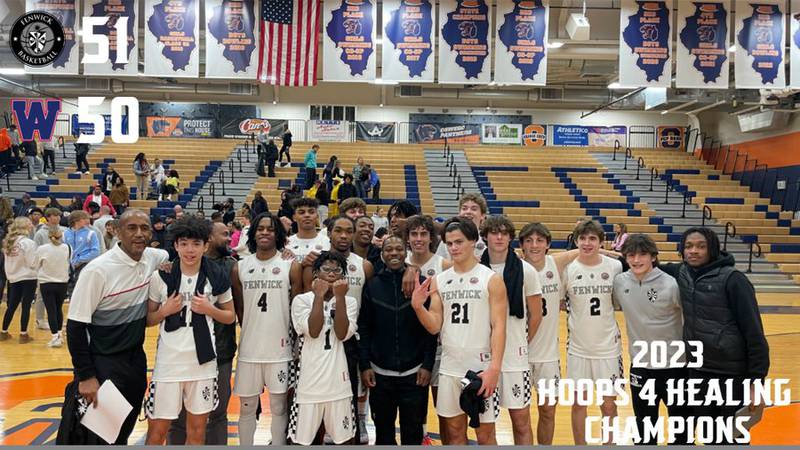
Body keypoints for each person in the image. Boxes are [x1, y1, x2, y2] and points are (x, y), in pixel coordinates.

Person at [62, 210, 169, 444]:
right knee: (101, 437)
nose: (139, 234)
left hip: (135, 362)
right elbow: (76, 327)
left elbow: (174, 259)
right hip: (104, 364)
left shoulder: (153, 257)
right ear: (117, 231)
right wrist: (86, 376)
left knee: (122, 433)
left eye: (144, 228)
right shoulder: (97, 270)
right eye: (132, 228)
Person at [659, 227, 769, 445]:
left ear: (713, 249)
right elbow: (645, 262)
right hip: (699, 372)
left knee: (733, 438)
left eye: (701, 246)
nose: (694, 251)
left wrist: (756, 381)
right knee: (711, 437)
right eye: (689, 246)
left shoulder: (734, 279)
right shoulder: (682, 272)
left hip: (732, 375)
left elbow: (755, 333)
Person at [410, 216, 507, 445]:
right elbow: (434, 325)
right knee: (454, 433)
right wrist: (417, 306)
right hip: (450, 366)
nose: (453, 248)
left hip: (480, 366)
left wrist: (494, 369)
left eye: (459, 242)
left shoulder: (491, 279)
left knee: (485, 435)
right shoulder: (440, 280)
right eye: (449, 243)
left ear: (473, 241)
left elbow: (500, 327)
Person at [143, 216, 235, 445]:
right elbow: (148, 319)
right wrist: (165, 311)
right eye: (183, 243)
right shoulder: (161, 276)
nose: (189, 250)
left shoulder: (217, 276)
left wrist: (209, 309)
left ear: (206, 245)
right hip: (169, 364)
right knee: (157, 433)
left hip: (202, 364)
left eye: (195, 244)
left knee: (197, 432)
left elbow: (230, 316)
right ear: (175, 245)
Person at [232, 212, 303, 445]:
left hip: (280, 351)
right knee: (247, 407)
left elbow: (298, 307)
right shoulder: (240, 268)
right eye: (260, 228)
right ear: (253, 233)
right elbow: (240, 309)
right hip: (249, 350)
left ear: (278, 234)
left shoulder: (290, 266)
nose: (265, 232)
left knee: (279, 406)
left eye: (270, 229)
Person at [303, 216, 375, 444]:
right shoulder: (314, 262)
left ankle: (354, 423)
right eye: (338, 231)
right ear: (329, 233)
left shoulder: (364, 266)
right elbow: (308, 295)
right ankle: (316, 432)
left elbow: (368, 304)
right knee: (315, 399)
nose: (343, 236)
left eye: (348, 231)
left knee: (349, 396)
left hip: (349, 336)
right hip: (318, 336)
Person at [358, 235, 436, 444]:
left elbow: (430, 329)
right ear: (382, 254)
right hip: (380, 375)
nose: (394, 253)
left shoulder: (420, 285)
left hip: (415, 373)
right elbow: (364, 328)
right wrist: (365, 365)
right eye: (388, 249)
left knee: (413, 434)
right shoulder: (372, 286)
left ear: (406, 251)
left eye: (399, 249)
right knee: (384, 435)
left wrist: (427, 364)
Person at [613, 234, 690, 444]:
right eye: (631, 255)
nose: (637, 260)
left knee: (681, 428)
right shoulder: (620, 282)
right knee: (644, 429)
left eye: (643, 254)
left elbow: (692, 321)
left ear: (653, 257)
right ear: (625, 257)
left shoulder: (671, 284)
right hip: (641, 366)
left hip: (675, 366)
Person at [519, 222, 589, 445]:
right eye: (529, 241)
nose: (535, 245)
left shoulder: (555, 263)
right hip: (519, 354)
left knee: (548, 411)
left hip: (548, 357)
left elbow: (584, 248)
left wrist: (615, 252)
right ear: (521, 246)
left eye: (540, 240)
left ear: (548, 244)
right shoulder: (515, 267)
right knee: (520, 417)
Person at [480, 216, 542, 445]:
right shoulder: (475, 268)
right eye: (494, 232)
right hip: (484, 357)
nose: (499, 237)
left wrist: (522, 342)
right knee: (486, 427)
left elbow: (536, 315)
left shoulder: (527, 271)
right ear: (485, 235)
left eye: (504, 233)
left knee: (521, 421)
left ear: (510, 237)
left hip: (515, 359)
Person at [288, 251, 359, 445]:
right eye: (326, 269)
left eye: (337, 270)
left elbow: (343, 334)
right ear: (315, 273)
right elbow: (313, 331)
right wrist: (318, 296)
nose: (331, 273)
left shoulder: (349, 302)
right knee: (301, 441)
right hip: (308, 384)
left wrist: (341, 298)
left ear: (343, 276)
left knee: (345, 440)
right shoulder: (301, 300)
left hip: (339, 384)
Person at [563, 219, 624, 445]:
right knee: (579, 402)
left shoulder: (614, 267)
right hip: (578, 349)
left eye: (592, 238)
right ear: (576, 241)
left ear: (601, 242)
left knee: (608, 404)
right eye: (582, 238)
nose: (587, 243)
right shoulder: (568, 269)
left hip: (608, 348)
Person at [403, 214, 452, 445]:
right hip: (410, 346)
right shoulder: (398, 261)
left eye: (424, 234)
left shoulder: (443, 265)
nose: (419, 238)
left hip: (439, 345)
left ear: (432, 238)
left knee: (442, 406)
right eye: (414, 234)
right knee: (416, 405)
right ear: (407, 237)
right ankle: (421, 439)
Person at [0, 217, 38, 343]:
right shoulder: (28, 243)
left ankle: (3, 332)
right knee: (26, 306)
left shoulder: (9, 241)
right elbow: (32, 262)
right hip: (28, 277)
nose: (31, 225)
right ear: (24, 227)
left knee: (11, 305)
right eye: (29, 223)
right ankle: (23, 334)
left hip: (14, 277)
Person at [36, 225, 70, 347]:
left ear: (48, 236)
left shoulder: (42, 249)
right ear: (61, 235)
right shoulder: (67, 247)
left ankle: (55, 337)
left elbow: (36, 265)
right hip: (62, 282)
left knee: (51, 310)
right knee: (58, 309)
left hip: (47, 283)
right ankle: (60, 335)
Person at [436, 193, 488, 258]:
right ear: (459, 213)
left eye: (474, 209)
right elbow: (438, 265)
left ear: (483, 215)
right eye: (464, 208)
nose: (468, 212)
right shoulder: (448, 239)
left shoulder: (487, 240)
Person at [286, 198, 330, 265]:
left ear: (317, 216)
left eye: (311, 212)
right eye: (301, 212)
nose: (307, 215)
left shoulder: (328, 242)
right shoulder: (287, 244)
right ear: (294, 217)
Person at [64, 210, 101, 287]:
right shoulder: (65, 233)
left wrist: (80, 260)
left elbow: (95, 252)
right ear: (76, 220)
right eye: (85, 218)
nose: (88, 220)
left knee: (81, 288)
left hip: (84, 265)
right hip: (67, 266)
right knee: (69, 290)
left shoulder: (91, 233)